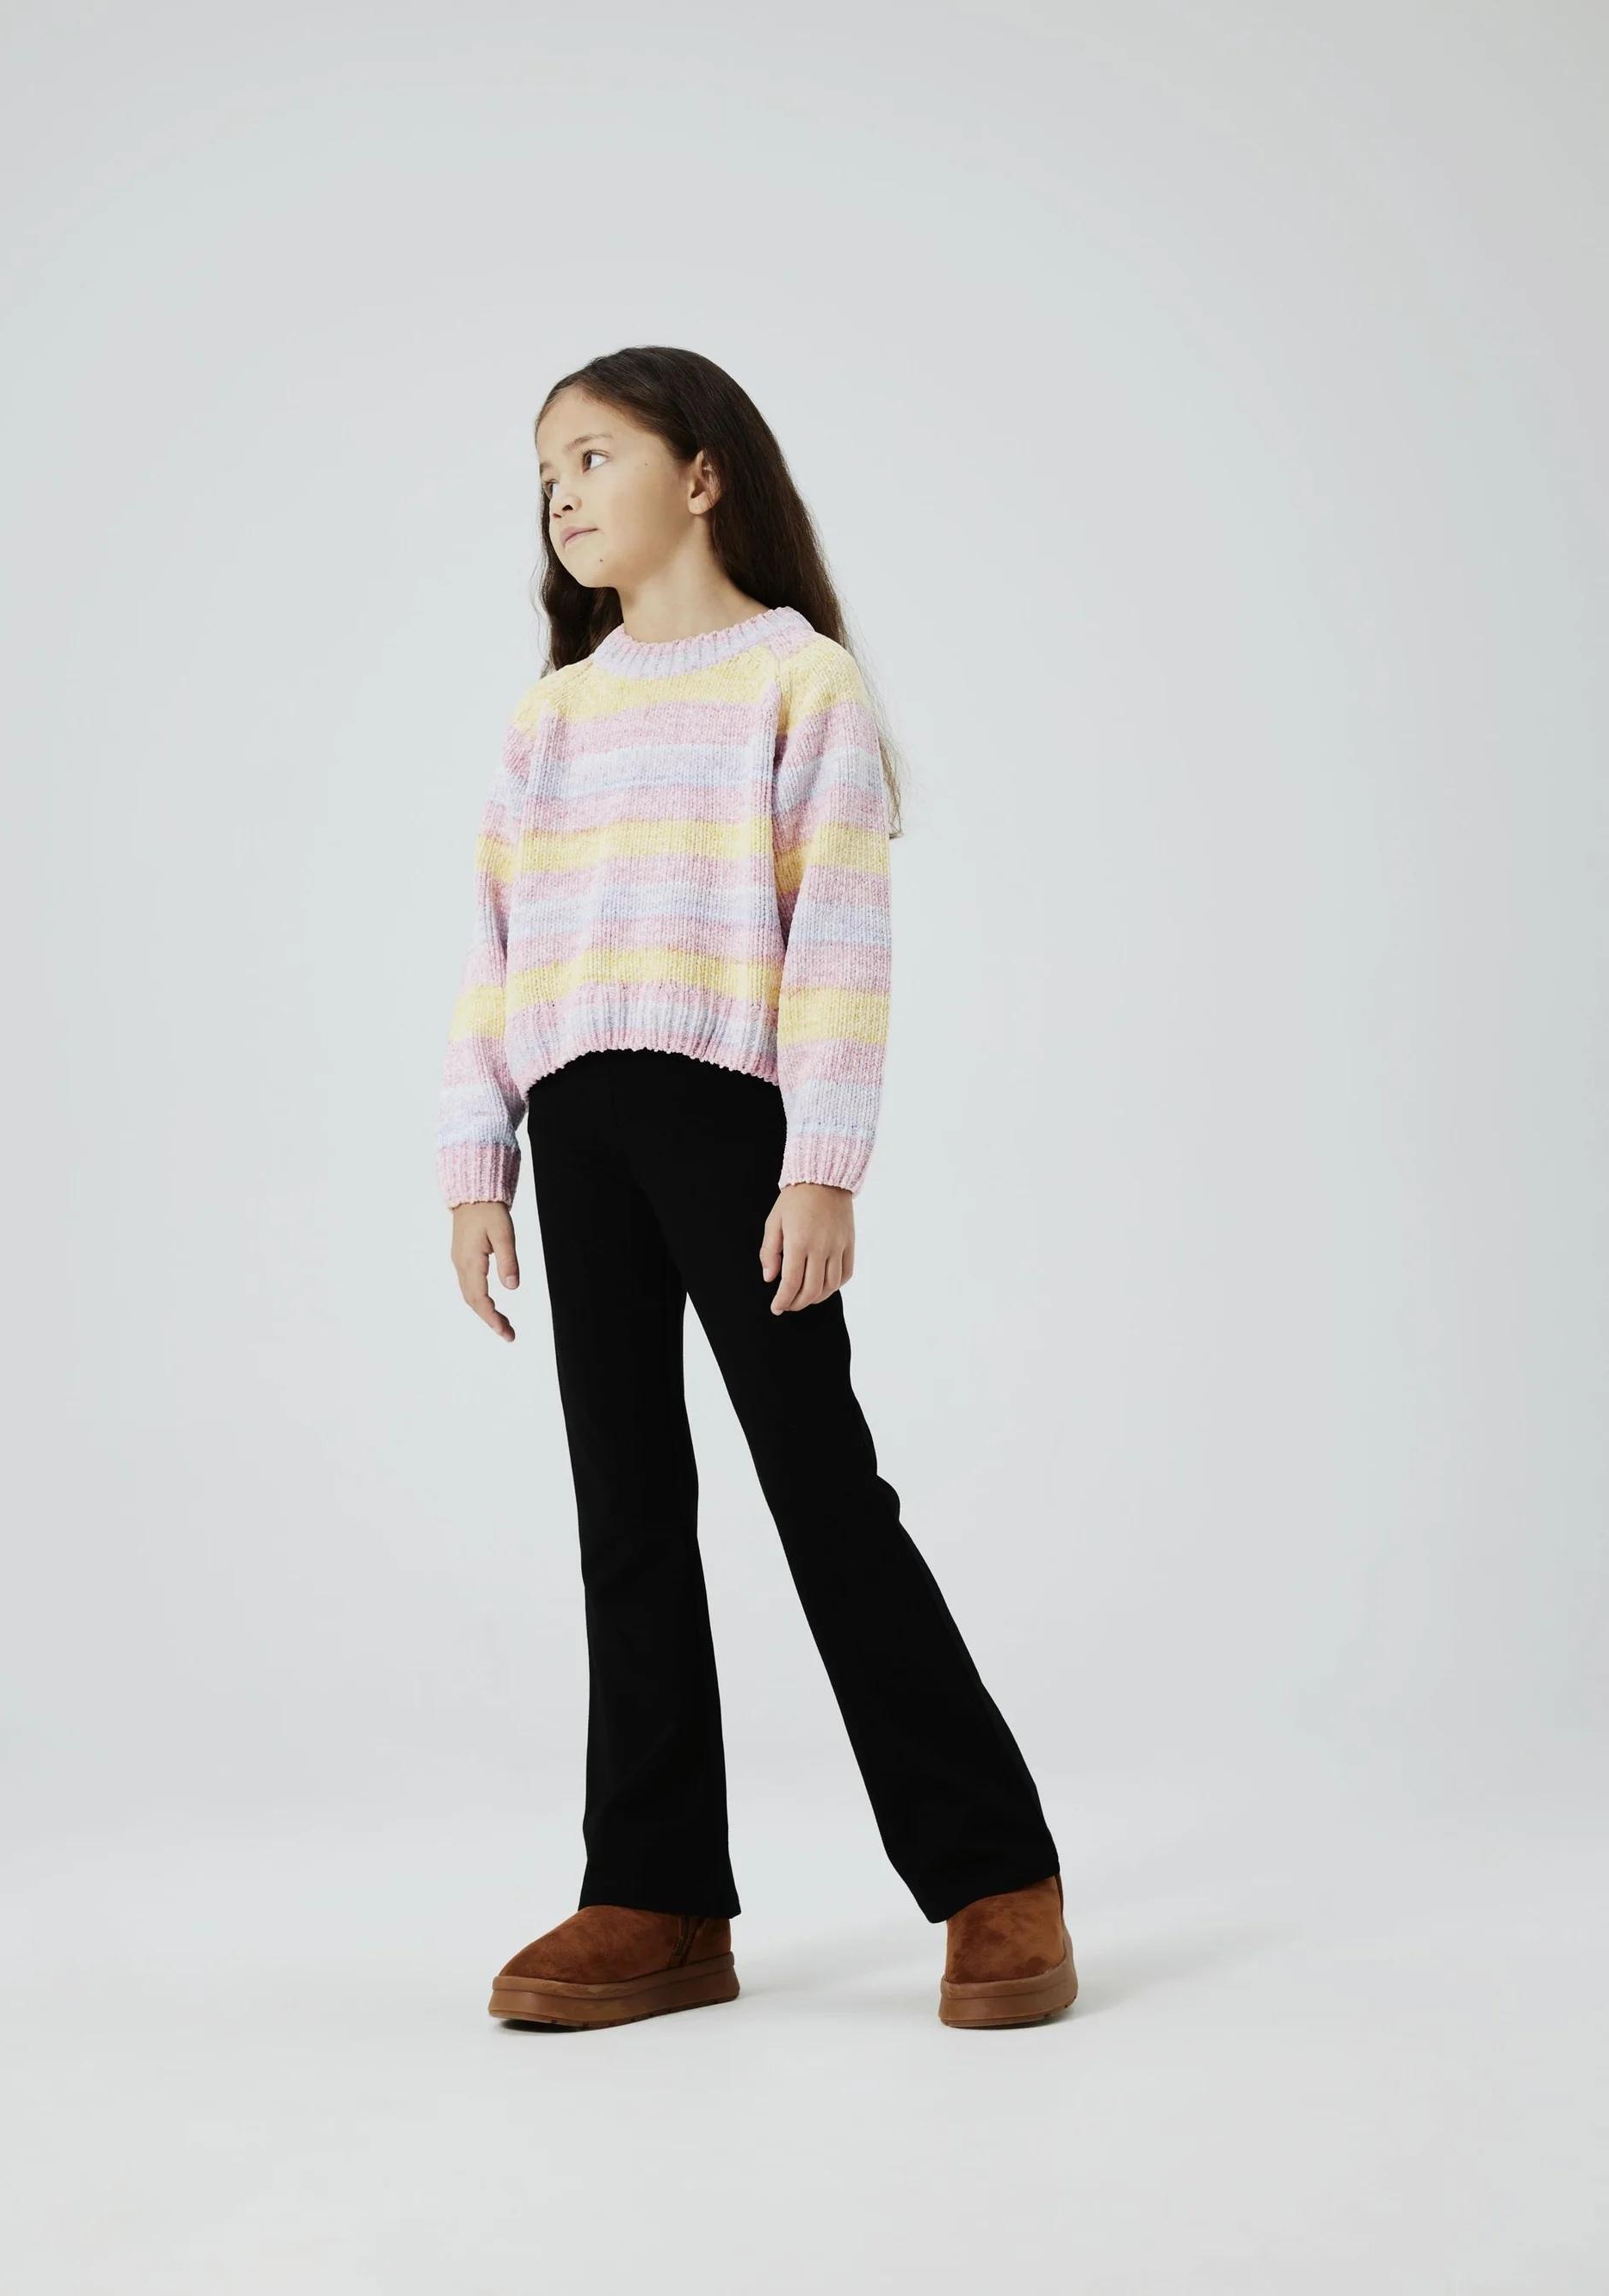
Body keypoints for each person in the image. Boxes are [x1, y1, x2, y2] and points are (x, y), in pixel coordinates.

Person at [438, 344, 1074, 2032]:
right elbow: (496, 955)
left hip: (735, 1122)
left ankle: (994, 1869)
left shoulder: (800, 684)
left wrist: (823, 1166)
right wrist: (476, 1165)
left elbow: (841, 944)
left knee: (820, 1489)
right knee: (626, 1505)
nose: (563, 494)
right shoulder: (551, 719)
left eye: (594, 456)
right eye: (546, 472)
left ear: (702, 474)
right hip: (575, 1124)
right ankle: (653, 1894)